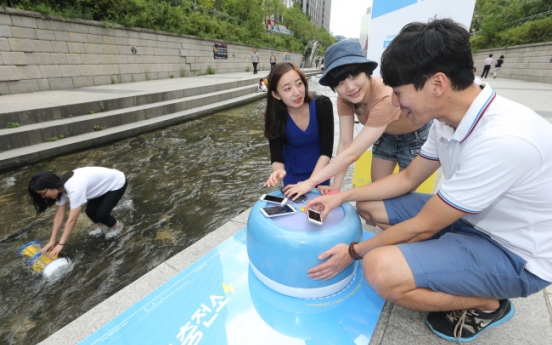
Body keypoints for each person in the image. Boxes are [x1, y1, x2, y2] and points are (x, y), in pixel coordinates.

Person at [305, 19, 552, 342]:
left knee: (377, 268)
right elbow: (408, 178)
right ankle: (439, 262)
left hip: (514, 253)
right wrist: (341, 196)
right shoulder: (446, 118)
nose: (394, 102)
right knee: (366, 203)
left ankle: (489, 303)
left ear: (437, 84)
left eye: (399, 93)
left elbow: (424, 225)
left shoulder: (503, 140)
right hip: (471, 220)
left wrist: (353, 251)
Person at [283, 40, 431, 199]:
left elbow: (353, 153)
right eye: (340, 82)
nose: (350, 87)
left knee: (405, 195)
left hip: (414, 138)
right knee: (379, 193)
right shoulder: (344, 98)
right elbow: (346, 144)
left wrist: (310, 182)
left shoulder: (385, 96)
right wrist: (336, 186)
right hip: (385, 136)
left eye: (355, 75)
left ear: (367, 72)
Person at [262, 62, 334, 188]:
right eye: (287, 89)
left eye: (299, 84)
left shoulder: (322, 105)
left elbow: (326, 151)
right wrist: (278, 170)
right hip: (292, 175)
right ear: (276, 94)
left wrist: (311, 182)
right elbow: (276, 156)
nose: (297, 92)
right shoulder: (275, 116)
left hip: (321, 172)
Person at [28, 167, 127, 258]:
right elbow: (59, 215)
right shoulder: (60, 189)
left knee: (102, 214)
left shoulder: (74, 187)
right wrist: (52, 240)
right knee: (90, 212)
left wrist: (61, 244)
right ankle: (104, 229)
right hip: (99, 188)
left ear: (50, 185)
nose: (43, 197)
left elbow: (71, 220)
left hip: (116, 183)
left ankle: (118, 228)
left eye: (43, 193)